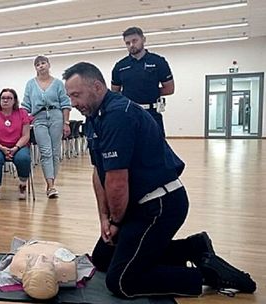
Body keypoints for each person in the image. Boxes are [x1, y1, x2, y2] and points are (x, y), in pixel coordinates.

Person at [63, 62, 256, 298]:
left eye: (76, 95)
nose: (72, 103)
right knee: (103, 258)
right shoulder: (94, 115)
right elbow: (98, 172)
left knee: (121, 280)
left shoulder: (118, 116)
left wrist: (115, 222)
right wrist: (104, 217)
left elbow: (117, 182)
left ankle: (208, 276)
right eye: (70, 96)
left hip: (160, 205)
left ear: (96, 86)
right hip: (136, 203)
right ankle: (193, 247)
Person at [22, 55, 71, 198]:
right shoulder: (30, 84)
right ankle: (49, 185)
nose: (41, 66)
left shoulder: (58, 84)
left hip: (56, 116)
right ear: (35, 68)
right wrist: (24, 121)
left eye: (43, 63)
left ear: (49, 65)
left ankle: (52, 184)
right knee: (45, 152)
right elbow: (25, 105)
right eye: (38, 64)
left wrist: (66, 123)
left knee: (55, 152)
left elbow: (65, 103)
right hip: (39, 118)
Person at [111, 26, 174, 136]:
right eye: (127, 43)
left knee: (156, 149)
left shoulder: (158, 62)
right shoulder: (120, 66)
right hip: (128, 114)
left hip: (151, 113)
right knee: (129, 148)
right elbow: (115, 92)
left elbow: (169, 89)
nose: (131, 45)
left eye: (134, 41)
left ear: (143, 39)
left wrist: (149, 91)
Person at [0, 88, 31, 203]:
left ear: (14, 101)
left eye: (9, 98)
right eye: (3, 98)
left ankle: (22, 185)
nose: (5, 100)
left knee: (23, 158)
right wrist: (2, 149)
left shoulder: (22, 113)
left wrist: (15, 148)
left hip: (18, 145)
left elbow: (26, 136)